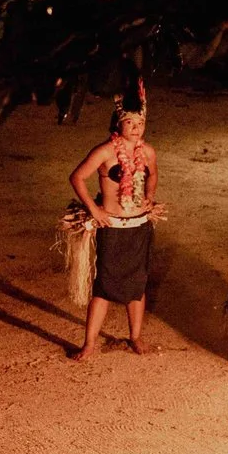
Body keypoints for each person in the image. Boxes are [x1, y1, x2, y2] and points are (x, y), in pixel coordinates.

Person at [66, 104, 168, 360]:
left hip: (139, 226)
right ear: (118, 124)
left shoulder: (147, 151)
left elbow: (153, 175)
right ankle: (89, 344)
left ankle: (135, 337)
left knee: (137, 284)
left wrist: (150, 196)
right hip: (112, 226)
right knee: (104, 287)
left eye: (140, 124)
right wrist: (94, 209)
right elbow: (77, 177)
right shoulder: (105, 151)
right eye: (130, 123)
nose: (136, 129)